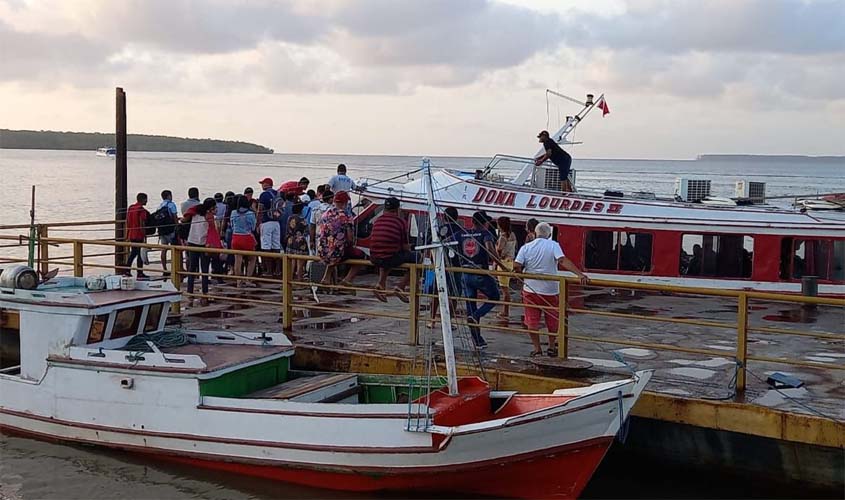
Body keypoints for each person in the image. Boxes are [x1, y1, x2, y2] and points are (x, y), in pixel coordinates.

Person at [513, 222, 589, 357]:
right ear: (549, 234)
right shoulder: (553, 245)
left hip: (530, 289)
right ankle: (552, 346)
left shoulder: (526, 247)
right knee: (553, 318)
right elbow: (562, 260)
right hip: (550, 290)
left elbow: (517, 265)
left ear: (535, 233)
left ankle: (537, 349)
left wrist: (521, 273)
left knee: (532, 320)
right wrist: (579, 274)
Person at [456, 211, 500, 349]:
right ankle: (477, 315)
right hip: (480, 272)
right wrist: (499, 263)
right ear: (484, 223)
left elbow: (445, 242)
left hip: (464, 272)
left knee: (470, 305)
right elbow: (490, 249)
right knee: (495, 297)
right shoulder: (485, 234)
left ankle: (478, 341)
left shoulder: (461, 234)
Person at [317, 191, 364, 289]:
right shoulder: (346, 216)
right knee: (360, 256)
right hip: (337, 252)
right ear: (345, 203)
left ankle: (326, 277)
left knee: (333, 250)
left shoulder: (326, 214)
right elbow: (350, 238)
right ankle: (347, 280)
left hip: (322, 251)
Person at [369, 197, 412, 303]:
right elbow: (404, 246)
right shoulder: (400, 222)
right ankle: (401, 286)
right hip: (388, 257)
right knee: (418, 260)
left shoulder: (377, 221)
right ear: (397, 210)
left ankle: (381, 283)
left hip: (374, 257)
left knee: (387, 254)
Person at [184, 199, 215, 306]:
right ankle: (205, 291)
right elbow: (212, 232)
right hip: (203, 244)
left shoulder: (195, 213)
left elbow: (186, 216)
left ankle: (190, 291)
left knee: (192, 268)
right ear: (210, 208)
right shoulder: (209, 217)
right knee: (205, 268)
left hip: (192, 241)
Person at [229, 195, 258, 288]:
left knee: (238, 260)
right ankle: (248, 279)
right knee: (252, 258)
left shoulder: (233, 212)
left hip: (235, 237)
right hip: (246, 237)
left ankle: (239, 281)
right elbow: (253, 227)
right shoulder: (250, 213)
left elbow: (232, 225)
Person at [256, 177, 281, 276]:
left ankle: (269, 271)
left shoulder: (263, 195)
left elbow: (260, 210)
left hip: (266, 222)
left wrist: (258, 223)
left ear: (266, 184)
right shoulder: (277, 194)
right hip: (276, 222)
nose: (262, 185)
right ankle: (278, 270)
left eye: (263, 183)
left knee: (266, 246)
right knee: (276, 246)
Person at [495, 216, 517, 321]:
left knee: (505, 290)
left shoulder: (503, 237)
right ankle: (505, 311)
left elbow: (499, 250)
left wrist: (495, 247)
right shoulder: (512, 235)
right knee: (506, 288)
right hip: (511, 262)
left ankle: (505, 312)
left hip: (503, 263)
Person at [124, 192, 149, 279]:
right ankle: (140, 272)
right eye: (146, 199)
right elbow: (142, 223)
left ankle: (127, 270)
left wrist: (127, 234)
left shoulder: (131, 208)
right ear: (143, 199)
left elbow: (127, 221)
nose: (147, 201)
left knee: (133, 253)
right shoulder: (141, 210)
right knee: (139, 254)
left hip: (131, 234)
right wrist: (144, 235)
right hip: (139, 234)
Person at [285, 201, 309, 280]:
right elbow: (307, 230)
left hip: (290, 240)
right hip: (299, 241)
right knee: (300, 262)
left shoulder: (289, 218)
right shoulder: (301, 219)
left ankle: (289, 279)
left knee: (292, 261)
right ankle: (299, 279)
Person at [156, 190, 179, 275]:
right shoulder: (171, 205)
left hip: (162, 231)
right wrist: (177, 227)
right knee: (175, 250)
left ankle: (165, 269)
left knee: (164, 250)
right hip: (171, 230)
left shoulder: (159, 206)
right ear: (169, 196)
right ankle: (175, 268)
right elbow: (175, 216)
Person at [309, 189, 333, 255]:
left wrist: (311, 241)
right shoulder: (333, 210)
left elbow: (312, 226)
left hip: (318, 238)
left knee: (318, 257)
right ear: (331, 199)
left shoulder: (315, 209)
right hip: (330, 239)